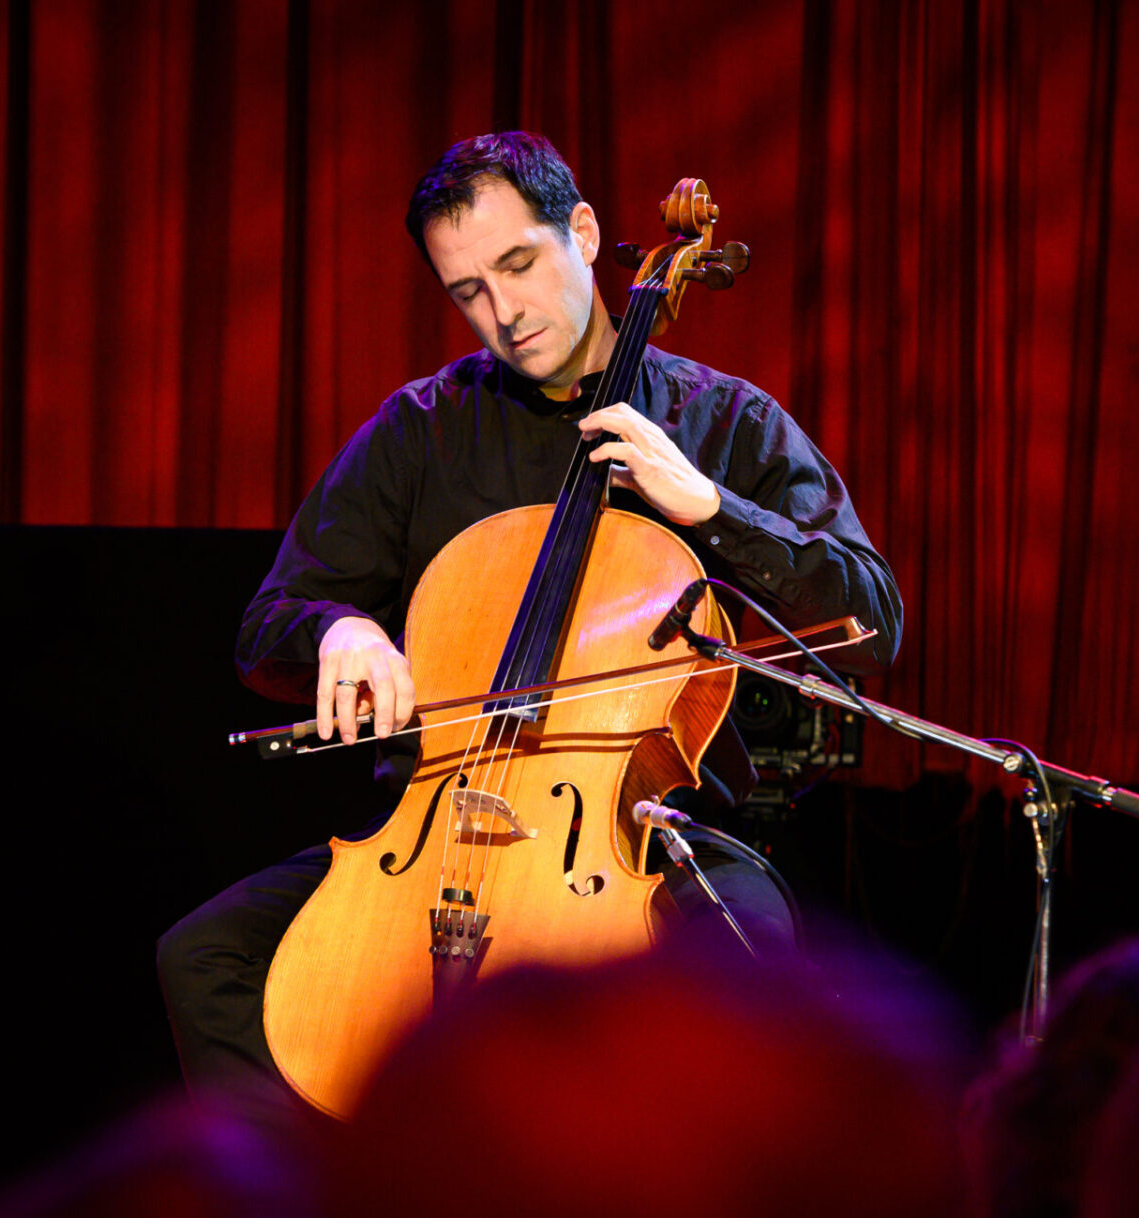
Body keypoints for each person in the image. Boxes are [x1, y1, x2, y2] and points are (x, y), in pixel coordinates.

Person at [157, 131, 902, 1125]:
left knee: (750, 963)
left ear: (583, 233)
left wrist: (708, 506)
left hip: (647, 836)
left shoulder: (729, 426)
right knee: (204, 957)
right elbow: (270, 624)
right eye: (468, 290)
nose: (503, 313)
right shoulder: (422, 429)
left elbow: (868, 621)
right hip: (433, 833)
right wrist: (341, 631)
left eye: (518, 265)